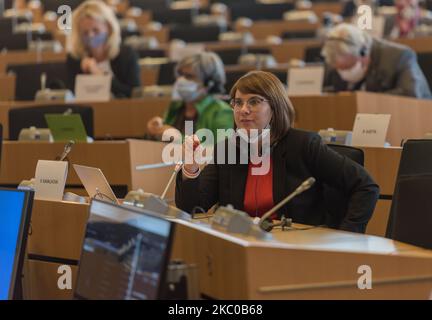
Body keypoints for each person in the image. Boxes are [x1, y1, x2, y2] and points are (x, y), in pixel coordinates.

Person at [175, 71, 380, 234]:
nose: (243, 109)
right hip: (244, 244)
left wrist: (347, 236)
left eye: (254, 102)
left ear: (275, 108)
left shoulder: (303, 145)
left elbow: (366, 186)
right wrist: (191, 168)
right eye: (238, 102)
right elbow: (193, 209)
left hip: (297, 249)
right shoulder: (228, 149)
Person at [321, 23, 432, 99]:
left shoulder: (400, 56)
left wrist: (360, 98)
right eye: (340, 69)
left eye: (349, 67)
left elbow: (410, 95)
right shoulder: (333, 58)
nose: (344, 74)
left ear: (363, 52)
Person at [146, 52, 233, 142]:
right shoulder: (175, 107)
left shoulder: (222, 112)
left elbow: (222, 151)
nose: (181, 80)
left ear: (208, 83)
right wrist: (155, 132)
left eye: (189, 76)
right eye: (180, 75)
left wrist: (178, 138)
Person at [66, 0, 140, 98]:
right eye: (85, 33)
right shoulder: (74, 59)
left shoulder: (126, 55)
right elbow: (71, 97)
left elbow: (134, 95)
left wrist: (101, 76)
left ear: (108, 28)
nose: (91, 36)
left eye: (95, 30)